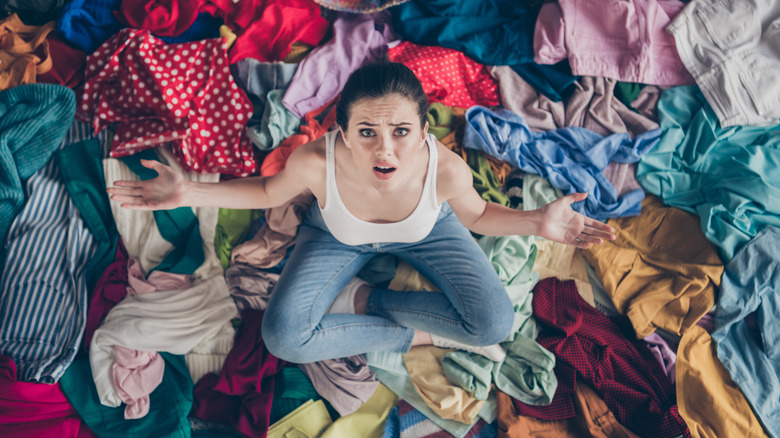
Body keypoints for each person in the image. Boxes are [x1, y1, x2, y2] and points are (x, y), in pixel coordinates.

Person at [108, 62, 615, 364]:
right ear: (342, 134)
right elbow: (266, 192)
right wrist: (189, 192)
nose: (385, 151)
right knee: (283, 337)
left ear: (423, 132)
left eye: (401, 132)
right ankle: (392, 321)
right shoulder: (314, 160)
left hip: (427, 233)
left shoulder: (446, 170)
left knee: (493, 323)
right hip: (335, 236)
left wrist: (538, 224)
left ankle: (367, 299)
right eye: (367, 132)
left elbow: (478, 216)